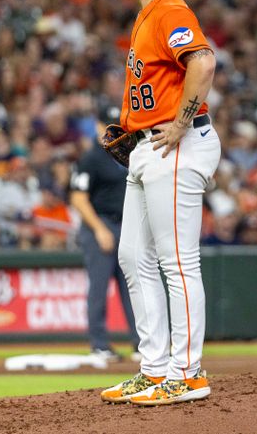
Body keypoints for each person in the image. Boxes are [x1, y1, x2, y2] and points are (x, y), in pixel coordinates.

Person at [96, 0, 221, 405]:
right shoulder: (148, 15)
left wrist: (180, 122)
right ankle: (154, 369)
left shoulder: (169, 9)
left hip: (176, 145)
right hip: (150, 146)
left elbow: (204, 63)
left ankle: (188, 373)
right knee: (133, 257)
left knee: (177, 263)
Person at [70, 104, 140, 362]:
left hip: (128, 225)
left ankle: (141, 344)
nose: (115, 128)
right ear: (99, 126)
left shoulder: (129, 152)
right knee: (98, 288)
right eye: (109, 123)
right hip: (100, 225)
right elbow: (77, 198)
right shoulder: (92, 158)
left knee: (133, 287)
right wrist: (100, 229)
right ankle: (99, 344)